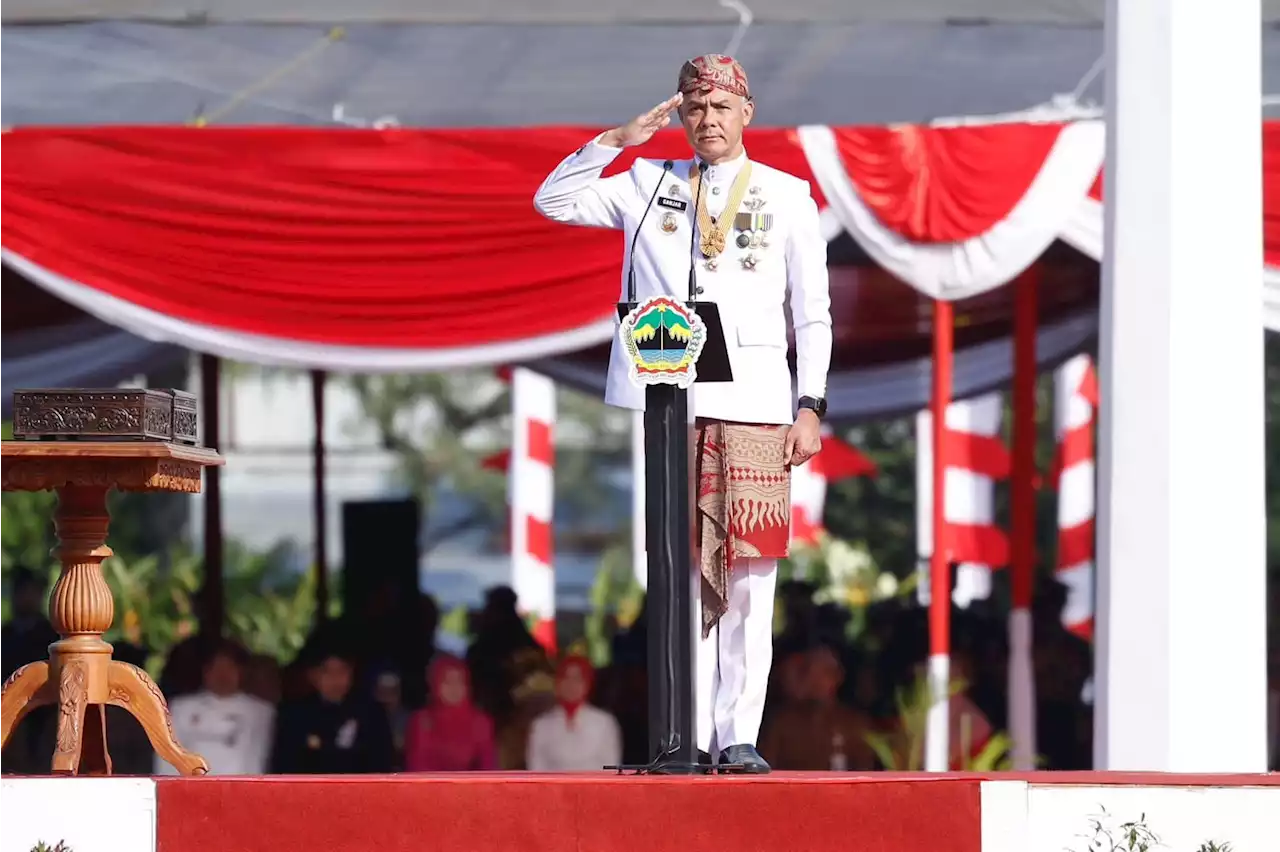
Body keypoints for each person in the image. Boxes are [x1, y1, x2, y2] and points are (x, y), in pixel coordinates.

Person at [533, 54, 831, 773]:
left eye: (721, 107)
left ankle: (738, 736)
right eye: (695, 108)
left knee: (752, 582)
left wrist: (811, 404)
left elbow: (812, 315)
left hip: (759, 407)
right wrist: (620, 138)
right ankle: (688, 733)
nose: (708, 121)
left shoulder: (789, 196)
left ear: (746, 113)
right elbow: (554, 201)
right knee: (682, 577)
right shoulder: (647, 183)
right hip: (674, 412)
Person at [270, 642, 394, 774]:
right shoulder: (295, 716)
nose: (335, 679)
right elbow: (284, 766)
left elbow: (381, 764)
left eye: (342, 671)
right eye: (327, 672)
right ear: (312, 675)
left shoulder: (371, 714)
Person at [156, 640, 274, 775]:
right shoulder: (181, 708)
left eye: (229, 668)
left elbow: (257, 758)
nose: (222, 675)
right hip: (190, 788)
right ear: (205, 671)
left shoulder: (260, 712)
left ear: (242, 671)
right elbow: (168, 756)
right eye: (216, 668)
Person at [526, 655, 622, 771]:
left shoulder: (604, 722)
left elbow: (611, 767)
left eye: (578, 679)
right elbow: (536, 768)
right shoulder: (541, 725)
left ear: (587, 684)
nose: (571, 684)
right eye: (566, 678)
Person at [403, 655, 497, 772]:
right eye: (448, 682)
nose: (454, 687)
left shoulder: (480, 722)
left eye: (460, 681)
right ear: (435, 684)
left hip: (471, 788)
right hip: (430, 788)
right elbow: (417, 766)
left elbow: (487, 767)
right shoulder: (422, 721)